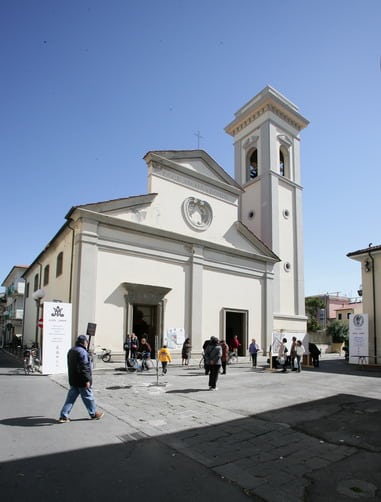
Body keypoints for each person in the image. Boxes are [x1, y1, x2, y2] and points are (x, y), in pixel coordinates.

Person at [58, 335, 104, 423]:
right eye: (86, 342)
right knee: (88, 397)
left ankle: (63, 416)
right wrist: (87, 379)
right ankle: (93, 414)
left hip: (73, 379)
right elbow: (84, 367)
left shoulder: (71, 350)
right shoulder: (82, 352)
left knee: (70, 399)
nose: (87, 344)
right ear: (84, 342)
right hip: (81, 379)